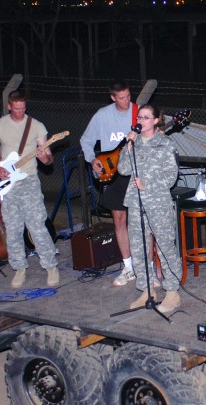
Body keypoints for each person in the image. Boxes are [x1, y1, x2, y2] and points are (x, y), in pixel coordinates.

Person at [0, 90, 59, 288]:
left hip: (30, 180)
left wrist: (44, 157)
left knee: (37, 225)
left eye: (23, 108)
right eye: (16, 109)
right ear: (9, 106)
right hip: (8, 185)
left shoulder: (36, 126)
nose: (20, 112)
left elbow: (49, 159)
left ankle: (50, 266)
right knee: (13, 229)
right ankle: (19, 268)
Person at [117, 104, 183, 313]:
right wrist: (127, 147)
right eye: (139, 117)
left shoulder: (165, 144)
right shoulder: (133, 143)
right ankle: (147, 290)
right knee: (139, 248)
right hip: (136, 203)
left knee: (165, 246)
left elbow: (171, 177)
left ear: (155, 121)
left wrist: (148, 185)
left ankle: (172, 293)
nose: (141, 120)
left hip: (157, 203)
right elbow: (123, 169)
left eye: (146, 117)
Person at [80, 80, 136, 287]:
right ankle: (128, 267)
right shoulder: (102, 115)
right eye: (122, 98)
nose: (127, 101)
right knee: (119, 220)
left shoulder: (137, 112)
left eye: (129, 96)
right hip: (112, 174)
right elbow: (86, 141)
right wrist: (91, 159)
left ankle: (145, 264)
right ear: (113, 98)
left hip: (135, 172)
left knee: (141, 220)